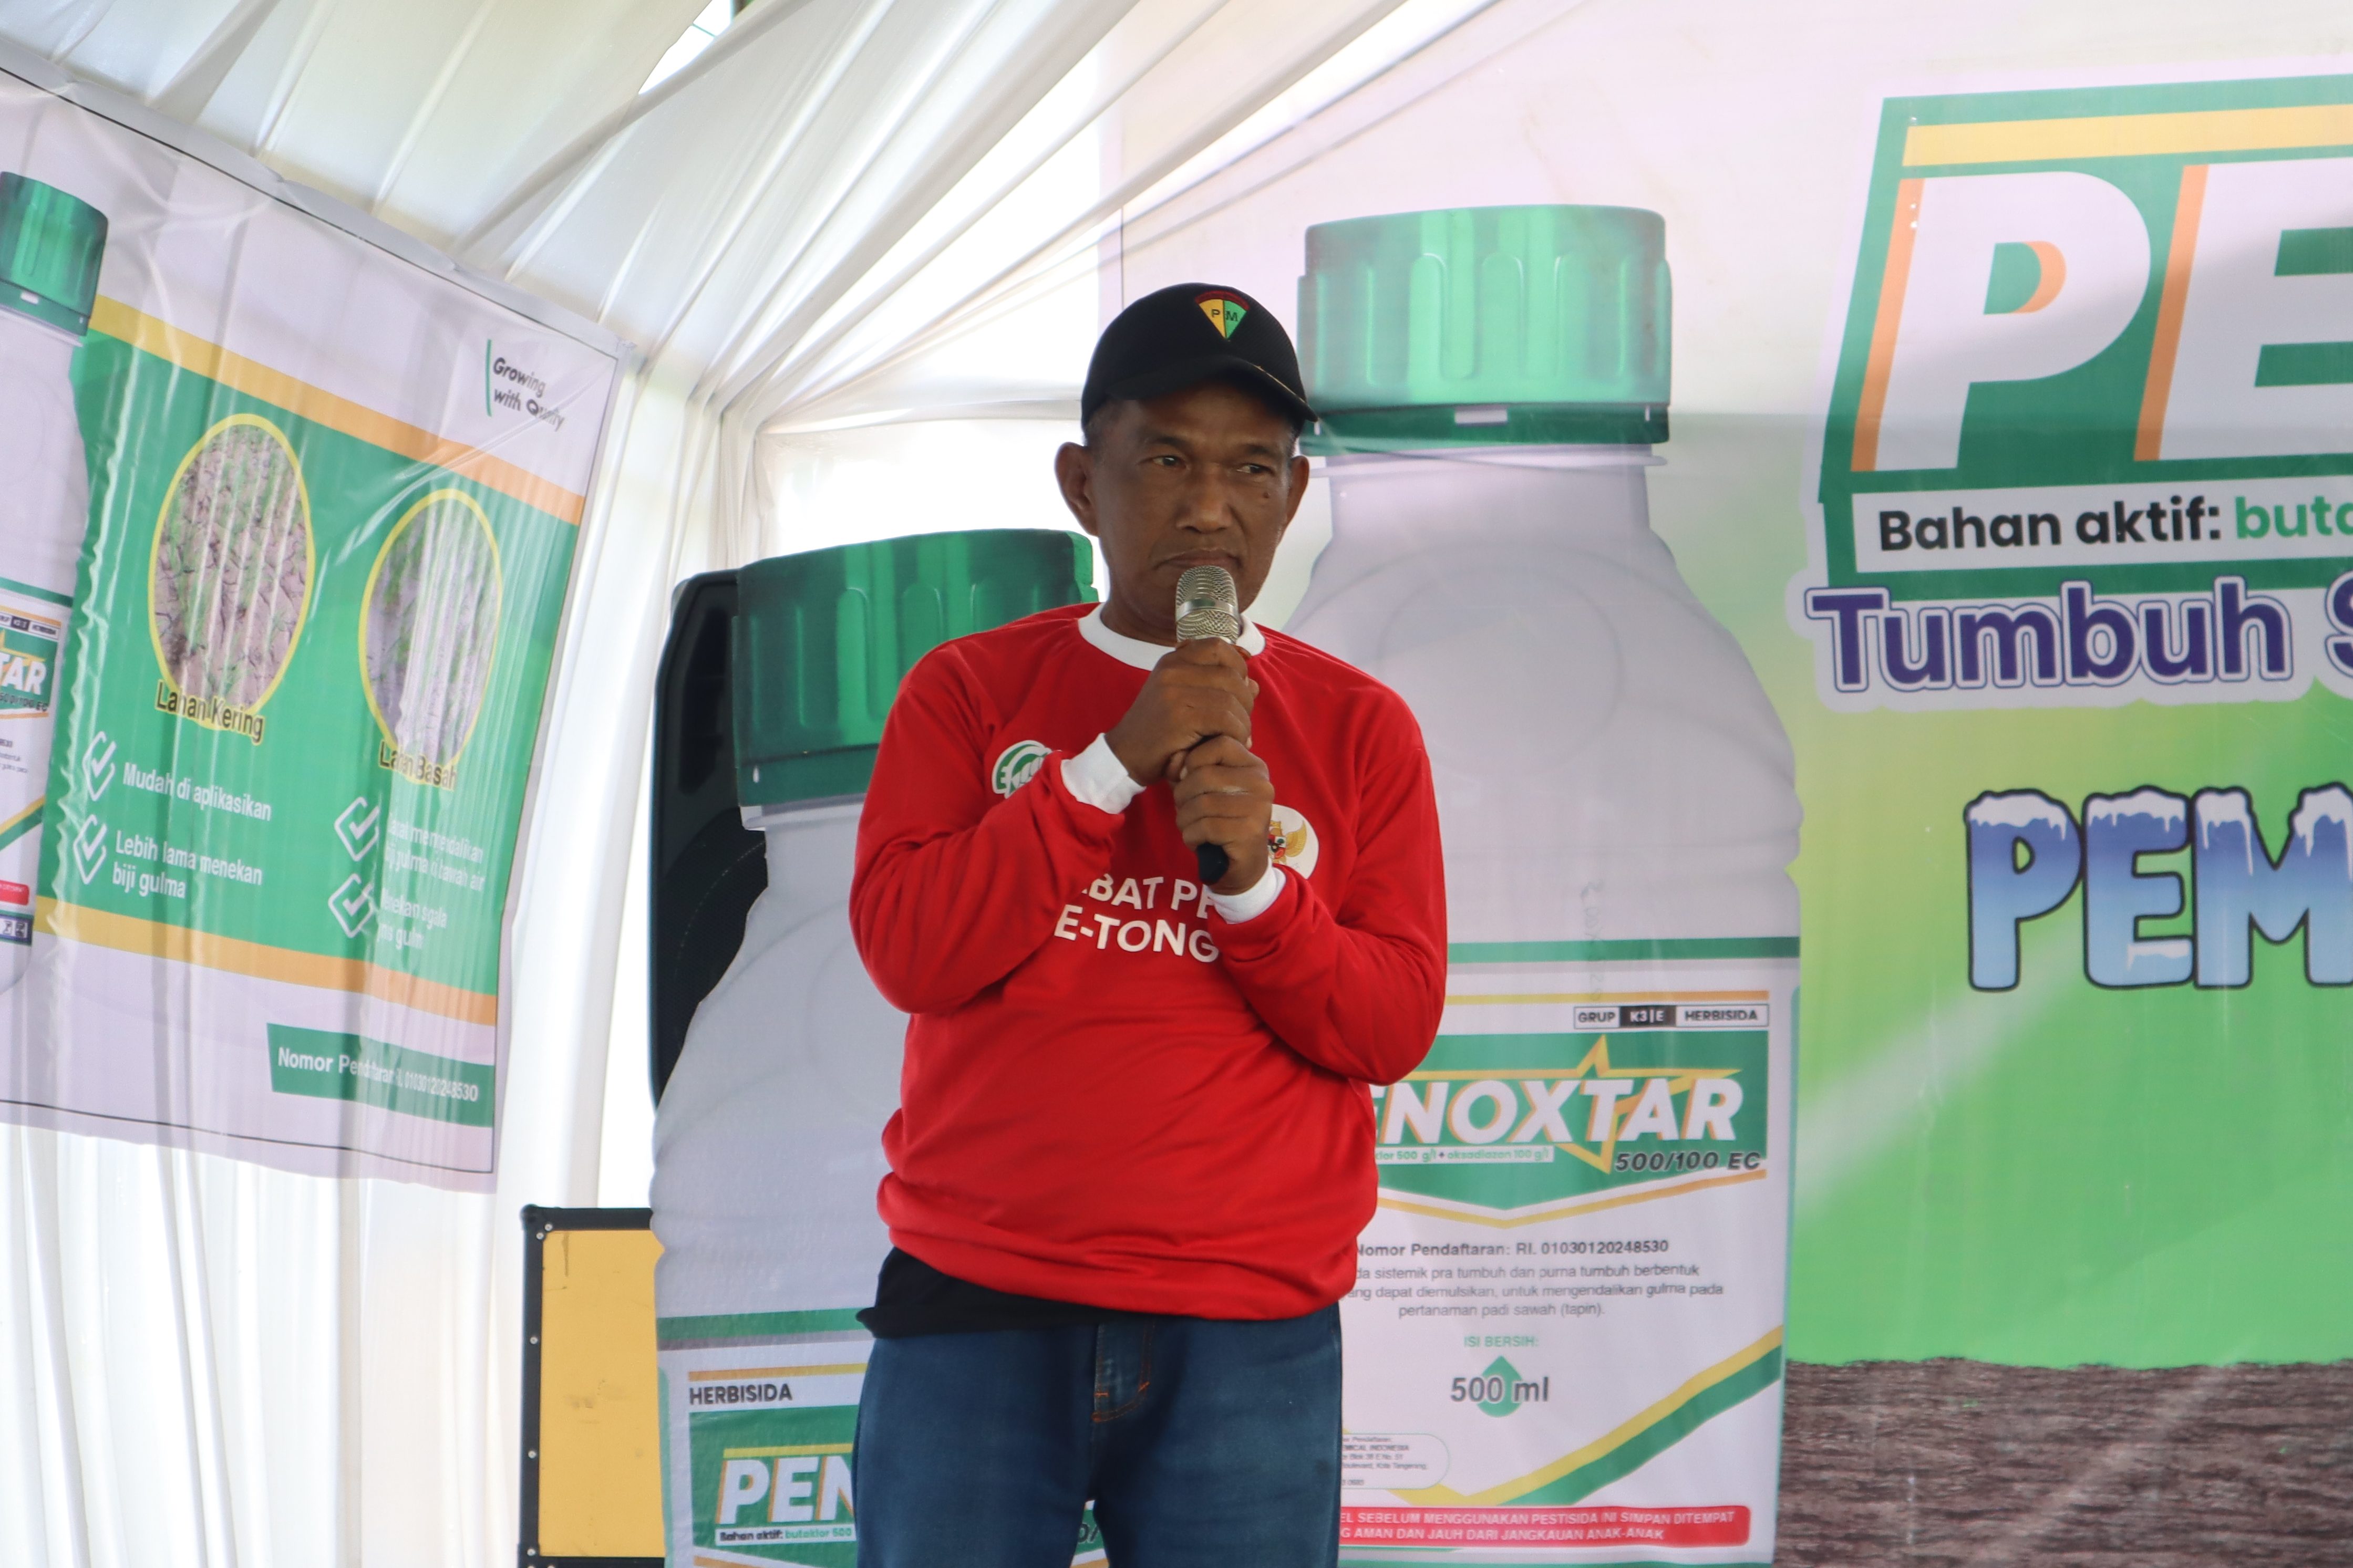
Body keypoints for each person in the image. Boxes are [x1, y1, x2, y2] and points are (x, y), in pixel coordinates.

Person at [847, 282, 1447, 1567]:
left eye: (1252, 468)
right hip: (979, 1305)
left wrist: (1253, 887)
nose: (1210, 506)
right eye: (1167, 459)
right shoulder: (967, 689)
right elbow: (913, 950)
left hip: (1247, 1327)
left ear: (1293, 494)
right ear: (1083, 481)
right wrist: (1106, 768)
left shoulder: (1360, 727)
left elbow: (1389, 1024)